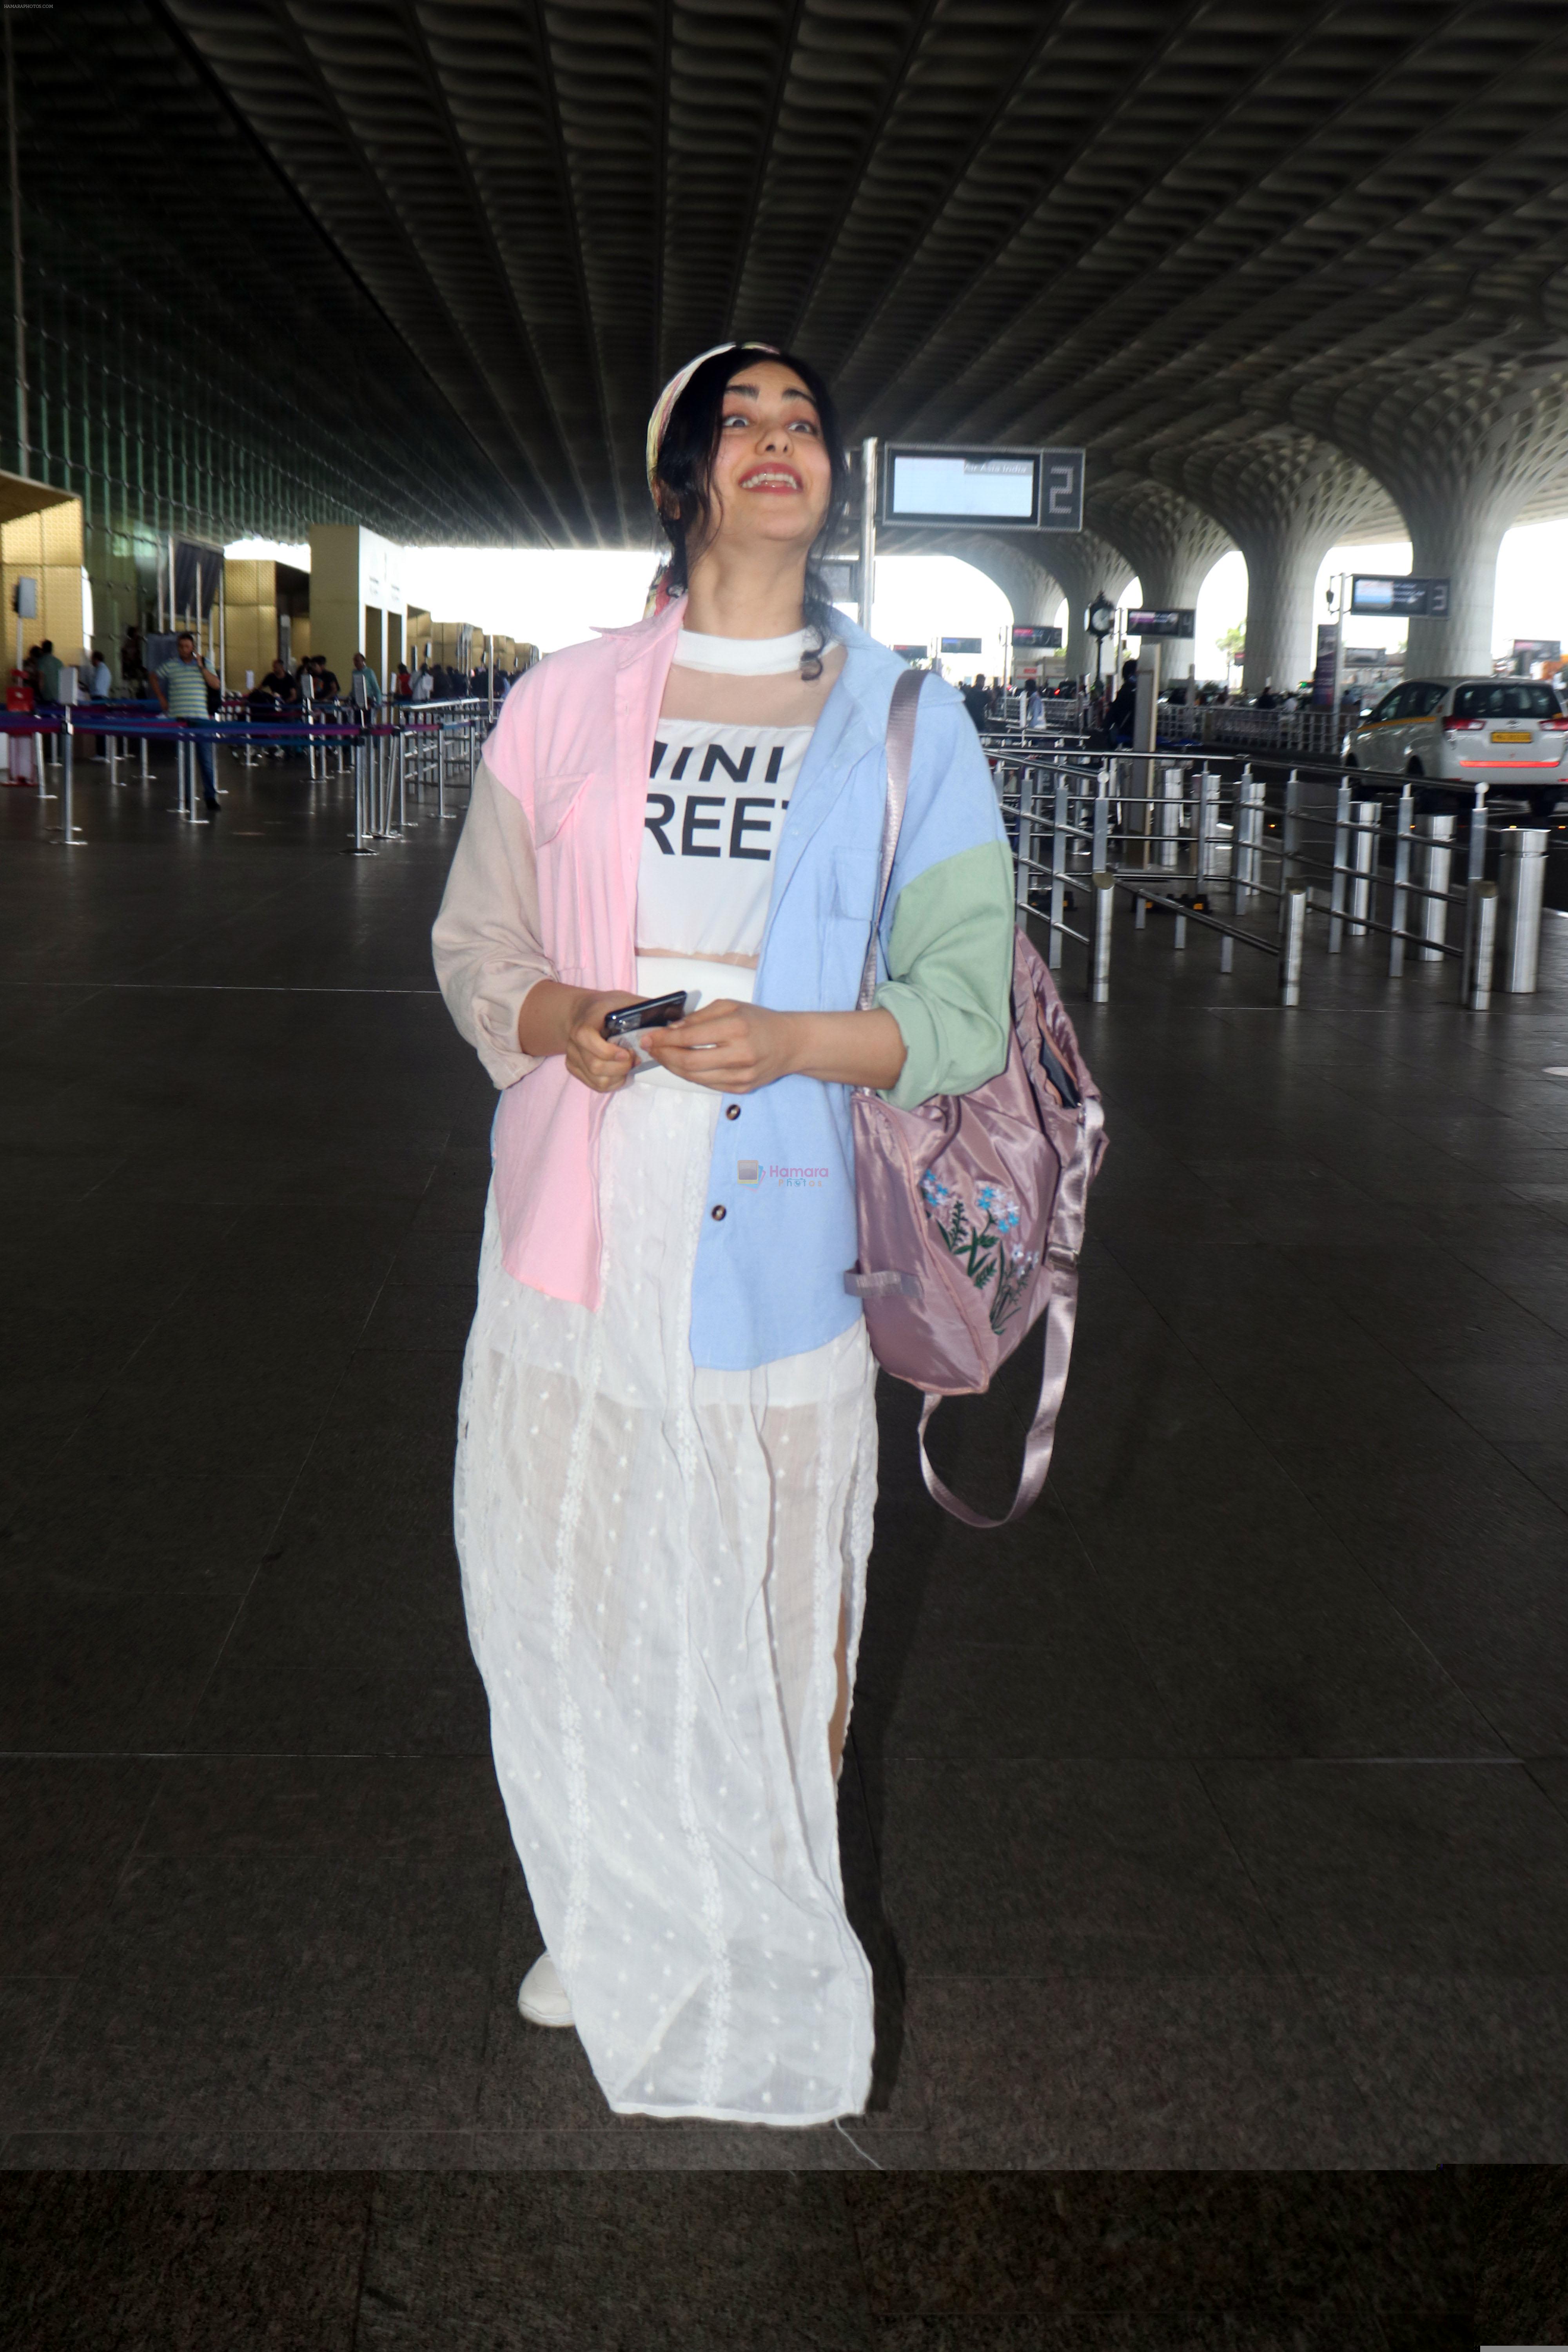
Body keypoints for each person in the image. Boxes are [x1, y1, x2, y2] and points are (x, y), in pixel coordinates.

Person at [432, 341, 1014, 2126]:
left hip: (783, 1249)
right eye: (741, 421)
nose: (779, 443)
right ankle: (605, 1912)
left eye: (804, 423)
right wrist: (567, 1016)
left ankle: (764, 1905)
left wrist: (794, 1039)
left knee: (782, 1613)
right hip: (574, 1234)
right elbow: (479, 949)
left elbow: (964, 1006)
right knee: (574, 1594)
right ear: (682, 473)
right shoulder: (562, 702)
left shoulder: (906, 718)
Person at [151, 629, 221, 809]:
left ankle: (210, 796)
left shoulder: (204, 664)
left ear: (193, 648)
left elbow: (216, 684)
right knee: (186, 760)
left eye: (188, 647)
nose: (184, 650)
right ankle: (188, 796)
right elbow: (153, 676)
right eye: (181, 647)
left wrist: (202, 667)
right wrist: (161, 697)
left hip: (201, 718)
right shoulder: (171, 665)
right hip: (180, 718)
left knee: (206, 759)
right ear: (178, 648)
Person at [36, 639, 62, 704]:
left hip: (47, 695)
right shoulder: (59, 662)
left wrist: (40, 692)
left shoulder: (41, 661)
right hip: (59, 695)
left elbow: (41, 678)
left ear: (43, 649)